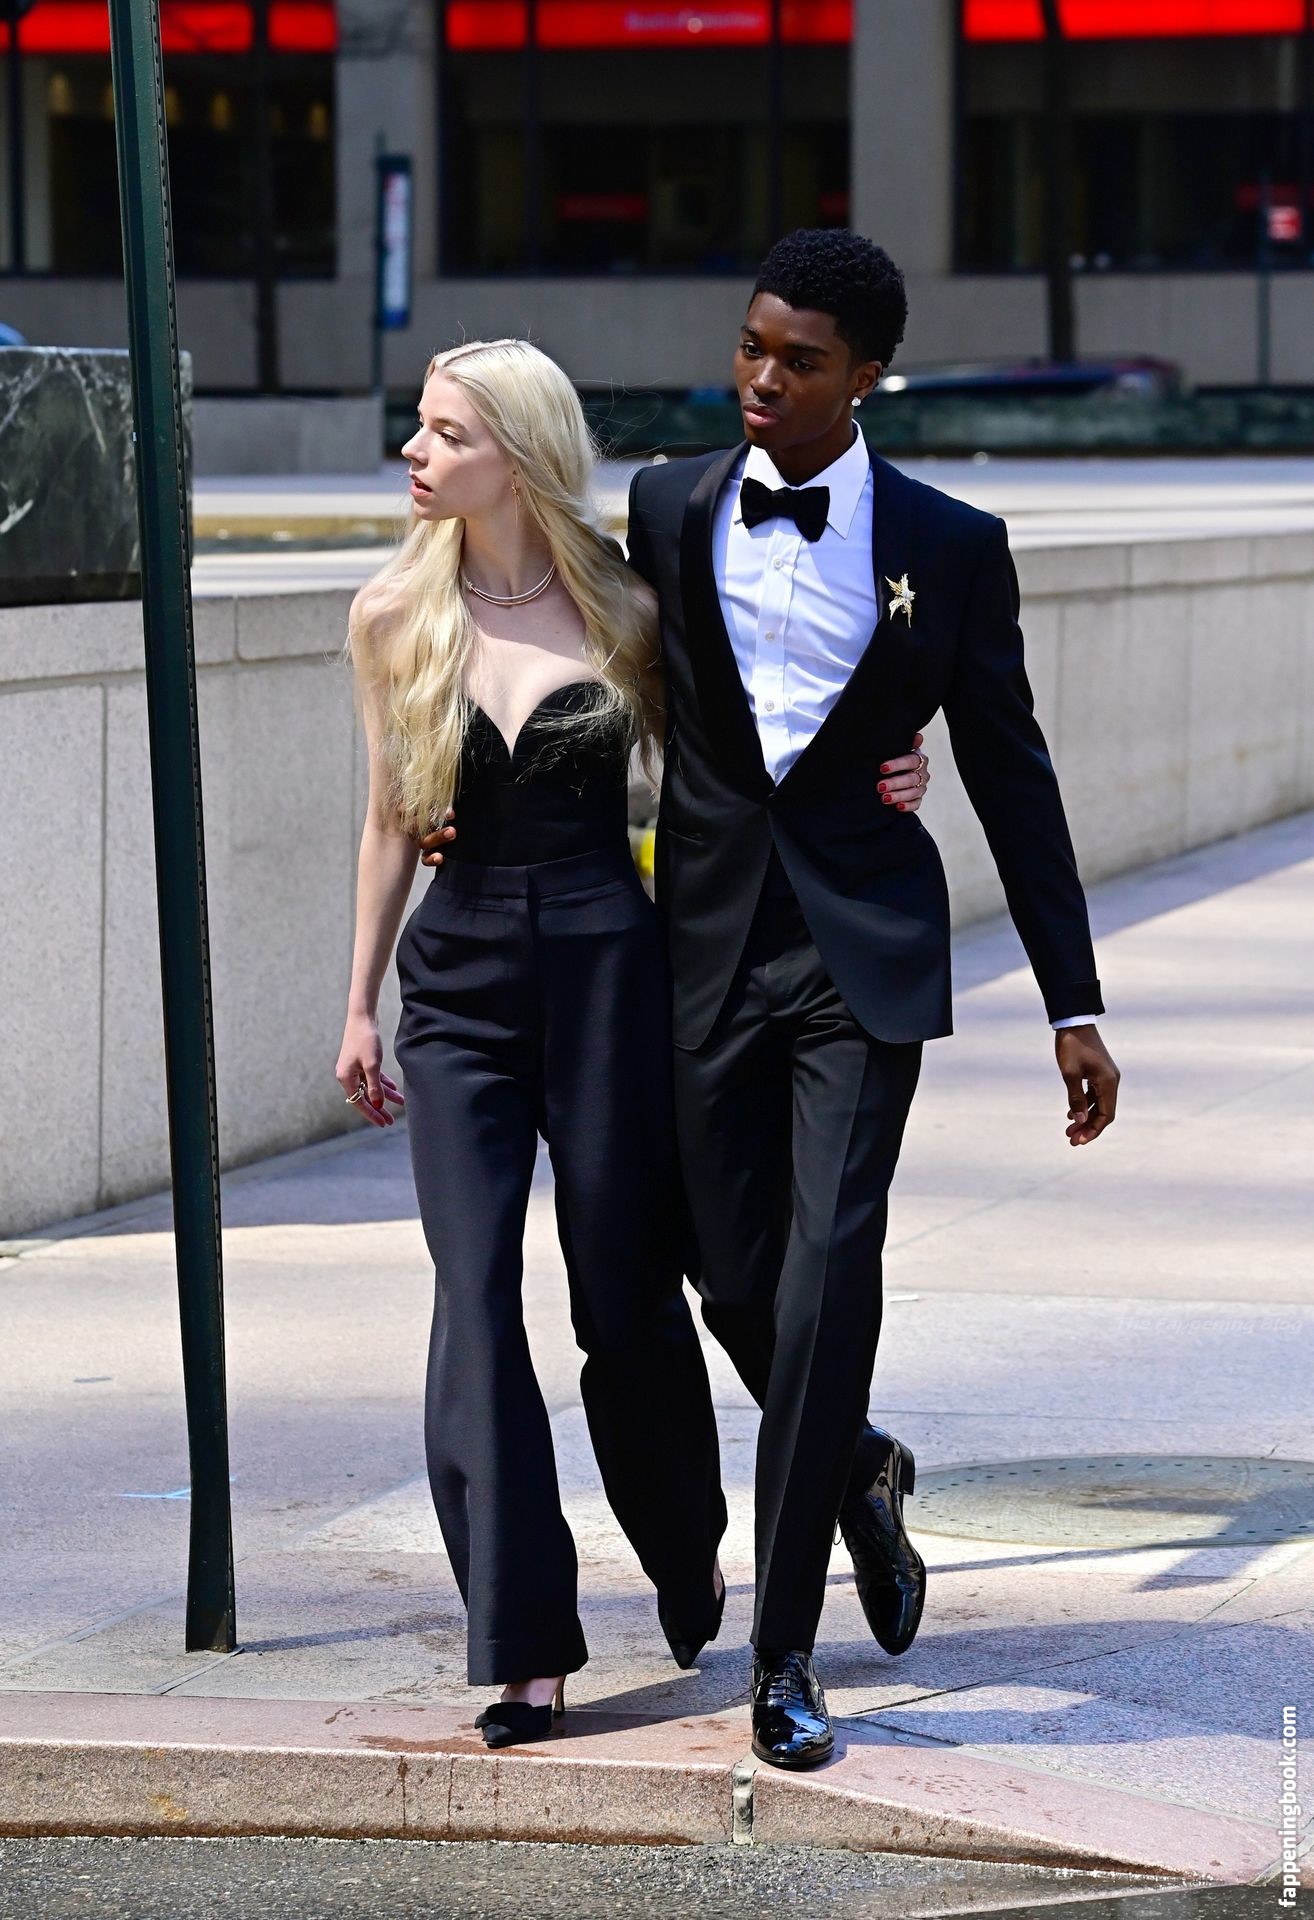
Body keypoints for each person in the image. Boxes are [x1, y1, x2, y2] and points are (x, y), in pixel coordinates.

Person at [612, 229, 1119, 1771]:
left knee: (830, 1273)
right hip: (703, 944)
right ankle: (858, 1466)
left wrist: (1071, 1002)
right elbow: (613, 693)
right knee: (728, 1279)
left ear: (868, 377)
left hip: (860, 956)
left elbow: (1010, 770)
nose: (760, 378)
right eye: (750, 346)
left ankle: (784, 1657)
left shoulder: (949, 544)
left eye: (800, 360)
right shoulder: (665, 503)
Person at [335, 339, 743, 1749]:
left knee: (621, 1290)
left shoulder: (627, 607)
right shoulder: (392, 613)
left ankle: (684, 1545)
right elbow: (388, 820)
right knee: (474, 1290)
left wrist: (895, 764)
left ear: (517, 452)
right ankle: (522, 1645)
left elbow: (726, 780)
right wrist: (358, 1004)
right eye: (418, 428)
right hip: (457, 984)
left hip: (608, 968)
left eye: (444, 433)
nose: (415, 452)